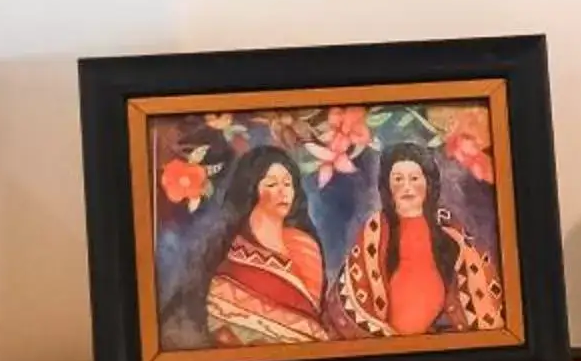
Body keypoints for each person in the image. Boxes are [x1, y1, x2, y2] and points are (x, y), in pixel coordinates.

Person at [335, 142, 508, 336]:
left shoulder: (451, 230)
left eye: (414, 178)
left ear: (428, 183)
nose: (407, 187)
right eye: (398, 179)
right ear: (387, 186)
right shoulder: (373, 232)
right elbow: (350, 299)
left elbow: (481, 292)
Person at [197, 146, 332, 347]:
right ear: (252, 189)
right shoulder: (232, 252)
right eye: (271, 184)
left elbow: (311, 321)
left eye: (288, 184)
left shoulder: (305, 245)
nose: (283, 191)